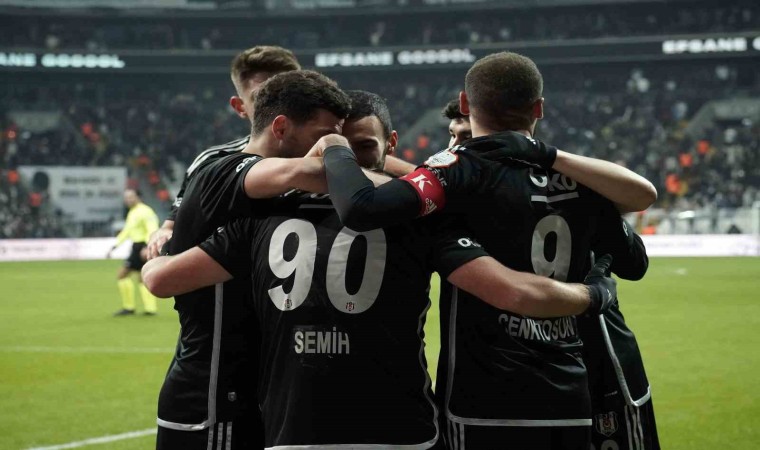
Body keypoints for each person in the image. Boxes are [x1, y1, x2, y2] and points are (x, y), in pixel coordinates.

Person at [143, 91, 619, 449]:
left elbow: (161, 280)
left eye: (361, 148)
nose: (348, 163)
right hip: (398, 429)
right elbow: (511, 292)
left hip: (296, 429)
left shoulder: (260, 219)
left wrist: (159, 246)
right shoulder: (423, 220)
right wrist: (594, 293)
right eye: (343, 150)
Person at [318, 52, 658, 450]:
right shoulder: (580, 180)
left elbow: (365, 207)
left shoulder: (456, 174)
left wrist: (333, 149)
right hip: (570, 382)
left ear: (465, 103)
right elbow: (635, 257)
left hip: (482, 392)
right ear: (539, 108)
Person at [154, 70, 351, 450]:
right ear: (281, 127)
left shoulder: (275, 191)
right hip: (213, 396)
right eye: (323, 135)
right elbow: (319, 172)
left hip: (256, 394)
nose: (330, 147)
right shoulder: (222, 172)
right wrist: (429, 181)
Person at [145, 45, 301, 260]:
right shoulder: (212, 162)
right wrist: (162, 236)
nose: (277, 106)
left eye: (287, 95)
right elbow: (171, 228)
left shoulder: (329, 157)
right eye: (261, 98)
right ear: (239, 107)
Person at [106, 189, 159, 317]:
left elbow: (152, 229)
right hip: (137, 246)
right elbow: (126, 231)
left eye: (131, 197)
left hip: (142, 246)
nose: (128, 200)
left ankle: (129, 307)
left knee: (122, 275)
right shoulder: (133, 212)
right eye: (126, 197)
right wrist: (115, 245)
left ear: (138, 197)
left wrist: (147, 246)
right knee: (142, 278)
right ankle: (150, 309)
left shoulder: (145, 211)